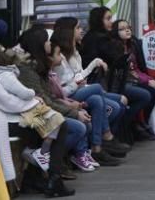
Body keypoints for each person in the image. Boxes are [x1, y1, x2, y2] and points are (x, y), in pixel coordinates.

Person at [16, 26, 95, 195]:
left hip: (37, 111)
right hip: (28, 115)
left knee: (64, 124)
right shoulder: (28, 69)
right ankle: (53, 176)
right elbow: (44, 101)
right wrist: (73, 112)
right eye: (46, 40)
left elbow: (49, 98)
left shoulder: (37, 66)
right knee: (66, 126)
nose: (49, 43)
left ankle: (42, 175)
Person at [50, 18, 129, 159]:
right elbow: (62, 90)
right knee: (100, 90)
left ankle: (97, 146)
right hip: (69, 97)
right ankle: (107, 137)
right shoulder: (59, 58)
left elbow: (80, 76)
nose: (81, 30)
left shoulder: (74, 52)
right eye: (78, 28)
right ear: (69, 32)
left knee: (100, 99)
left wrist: (90, 69)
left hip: (81, 91)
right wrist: (79, 82)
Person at [109, 19, 155, 140]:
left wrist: (149, 79)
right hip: (121, 83)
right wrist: (146, 81)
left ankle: (142, 123)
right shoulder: (115, 48)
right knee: (145, 95)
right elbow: (125, 73)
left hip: (133, 80)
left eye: (128, 27)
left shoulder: (132, 45)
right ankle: (131, 123)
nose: (127, 30)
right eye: (122, 29)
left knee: (154, 91)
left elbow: (136, 69)